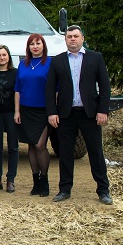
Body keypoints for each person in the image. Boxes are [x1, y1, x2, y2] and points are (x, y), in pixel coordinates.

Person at [47, 25, 112, 205]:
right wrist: (52, 112)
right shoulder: (57, 60)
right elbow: (50, 89)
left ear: (82, 38)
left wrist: (103, 110)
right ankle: (64, 189)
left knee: (96, 152)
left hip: (89, 113)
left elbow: (105, 86)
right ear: (65, 40)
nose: (73, 39)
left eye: (76, 36)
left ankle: (103, 190)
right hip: (66, 114)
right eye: (69, 36)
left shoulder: (95, 58)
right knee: (65, 153)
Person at [15, 33, 51, 197]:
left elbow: (56, 88)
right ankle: (35, 182)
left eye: (38, 43)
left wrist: (54, 110)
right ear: (28, 47)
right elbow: (17, 89)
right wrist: (17, 111)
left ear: (43, 45)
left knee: (40, 145)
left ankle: (45, 180)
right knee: (30, 145)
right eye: (32, 44)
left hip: (43, 110)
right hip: (26, 109)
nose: (35, 47)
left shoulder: (50, 63)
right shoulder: (23, 64)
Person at [0, 45, 18, 192]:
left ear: (8, 57)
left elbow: (18, 92)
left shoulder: (15, 73)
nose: (2, 58)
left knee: (13, 147)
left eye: (4, 55)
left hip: (11, 113)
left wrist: (18, 112)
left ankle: (11, 179)